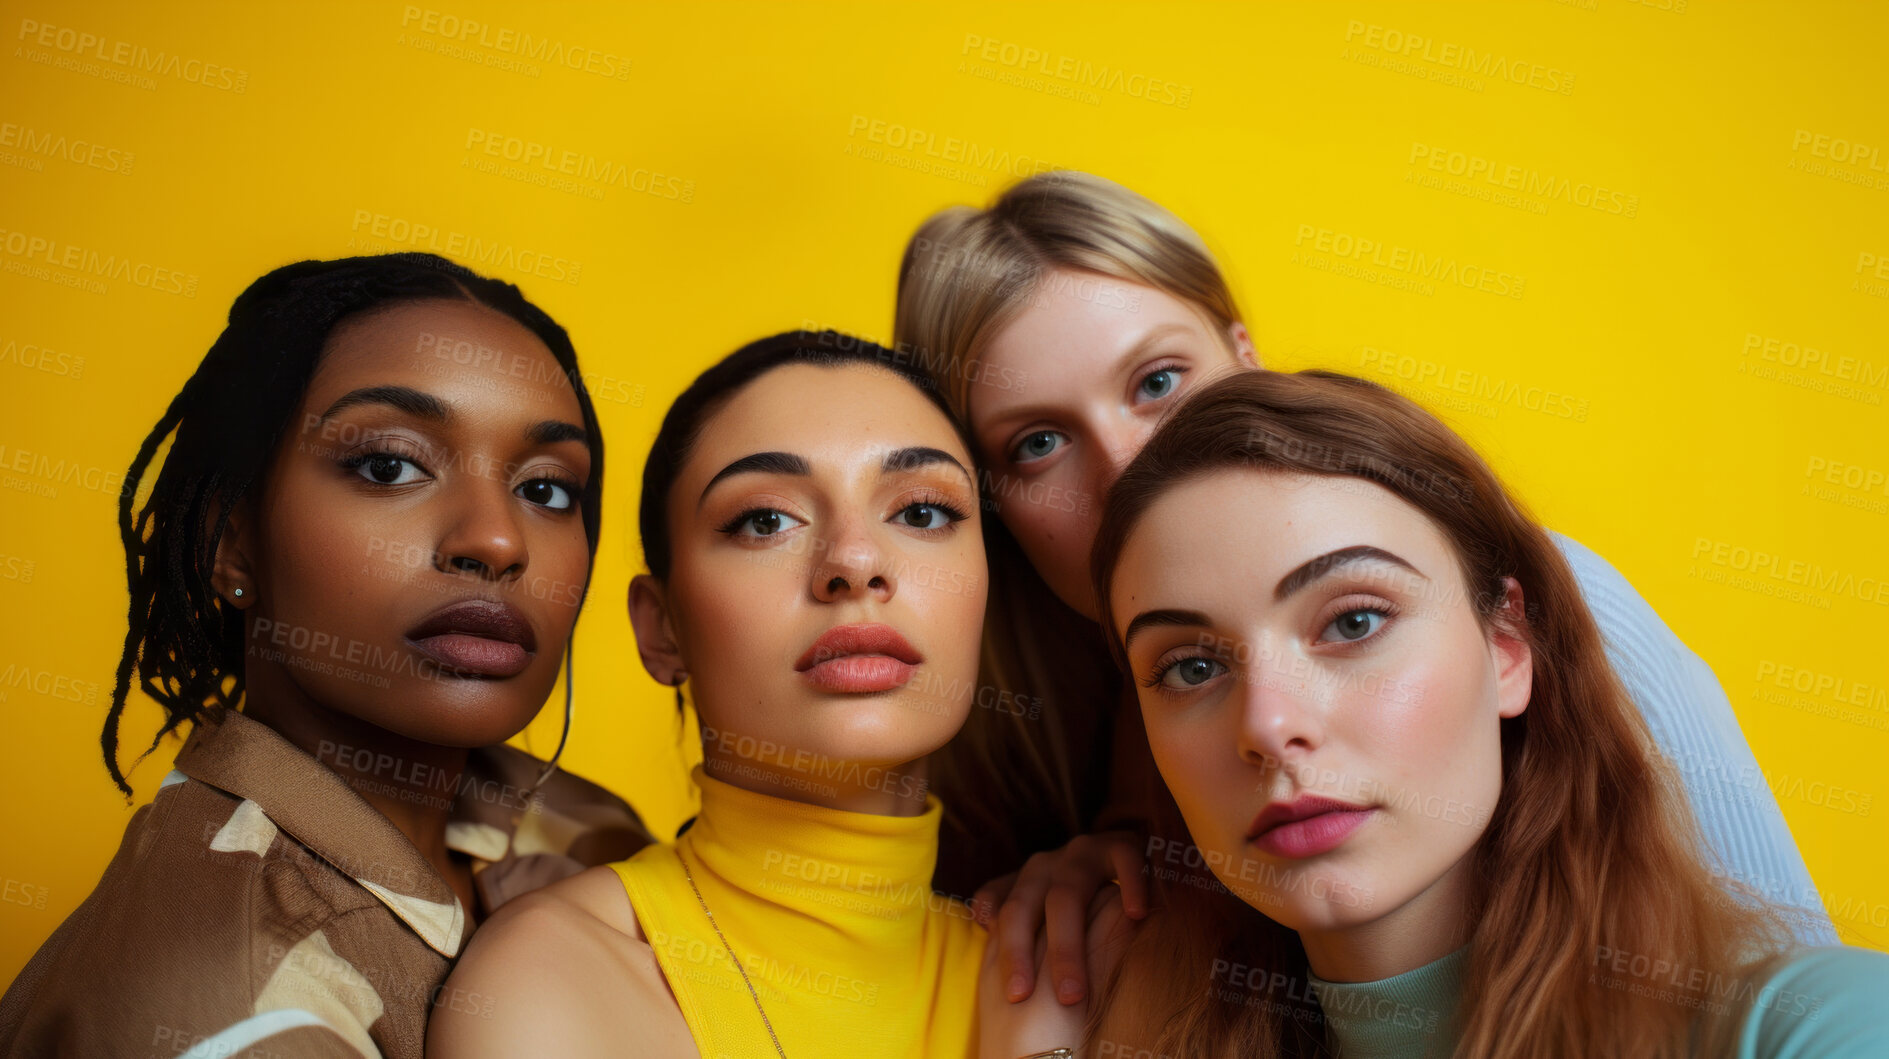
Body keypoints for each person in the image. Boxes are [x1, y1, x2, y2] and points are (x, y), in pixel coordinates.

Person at [893, 172, 1836, 1007]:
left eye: (1159, 379)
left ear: (1245, 357)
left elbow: (1780, 971)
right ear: (987, 501)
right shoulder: (1020, 729)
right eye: (1038, 443)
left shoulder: (1543, 598)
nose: (1126, 460)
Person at [1079, 368, 1889, 1056]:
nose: (1265, 724)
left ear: (1506, 645)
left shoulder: (1815, 1027)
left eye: (1354, 621)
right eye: (1190, 667)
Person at [0, 254, 650, 1059]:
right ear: (229, 544)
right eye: (389, 465)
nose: (496, 538)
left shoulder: (587, 834)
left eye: (547, 488)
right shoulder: (238, 1004)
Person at [430, 332, 1011, 1058]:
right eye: (765, 520)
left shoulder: (1070, 963)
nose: (855, 562)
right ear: (662, 628)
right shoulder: (558, 981)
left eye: (922, 513)